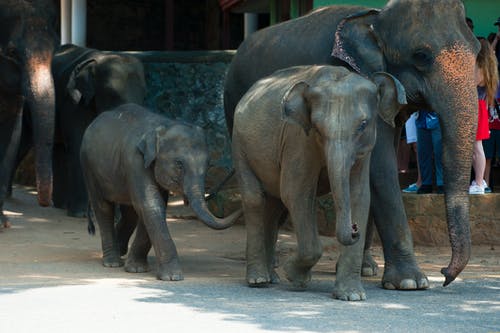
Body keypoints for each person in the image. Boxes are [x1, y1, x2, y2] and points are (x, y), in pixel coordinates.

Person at [470, 38, 499, 194]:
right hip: (480, 107)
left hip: (477, 107)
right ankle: (479, 180)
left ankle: (480, 182)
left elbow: (473, 82)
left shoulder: (479, 66)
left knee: (477, 147)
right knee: (476, 148)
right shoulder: (489, 66)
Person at [415, 110, 443, 194]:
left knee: (439, 152)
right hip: (421, 119)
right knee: (423, 153)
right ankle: (426, 183)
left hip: (438, 118)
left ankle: (441, 183)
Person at [402, 112, 422, 193]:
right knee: (415, 144)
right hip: (411, 112)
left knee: (420, 144)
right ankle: (419, 181)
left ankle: (422, 182)